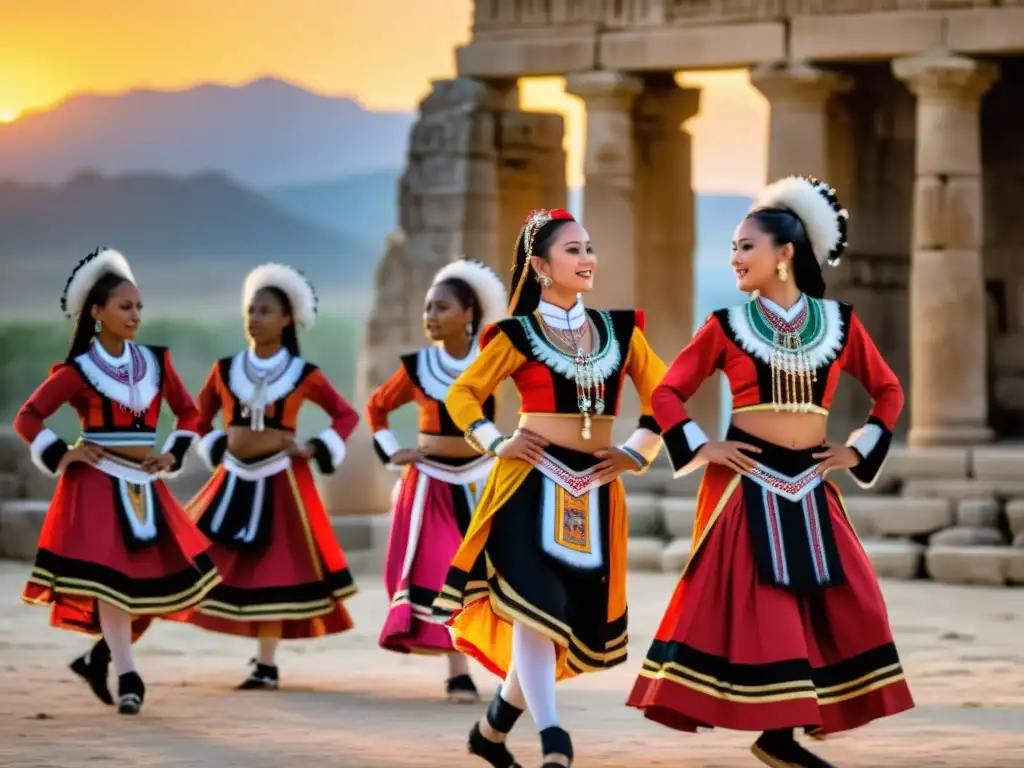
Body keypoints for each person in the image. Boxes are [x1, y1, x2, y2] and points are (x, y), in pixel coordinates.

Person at [626, 176, 915, 767]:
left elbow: (887, 389)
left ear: (785, 254)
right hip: (748, 481)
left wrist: (857, 451)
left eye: (746, 246)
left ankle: (810, 719)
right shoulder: (726, 327)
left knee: (850, 599)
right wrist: (703, 447)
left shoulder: (839, 324)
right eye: (732, 247)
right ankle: (778, 737)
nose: (734, 257)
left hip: (811, 482)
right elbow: (666, 393)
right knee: (768, 604)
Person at [431, 209, 668, 768]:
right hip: (527, 485)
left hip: (595, 489)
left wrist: (637, 450)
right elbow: (464, 395)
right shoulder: (517, 335)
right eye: (573, 251)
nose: (587, 260)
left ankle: (490, 734)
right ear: (540, 265)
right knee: (533, 611)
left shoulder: (620, 332)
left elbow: (667, 395)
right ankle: (554, 741)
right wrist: (494, 441)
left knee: (554, 616)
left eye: (589, 249)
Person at [14, 248, 219, 715]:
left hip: (144, 485)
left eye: (139, 307)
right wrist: (64, 453)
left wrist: (172, 453)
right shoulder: (78, 371)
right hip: (95, 484)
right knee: (112, 583)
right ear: (97, 313)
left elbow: (189, 412)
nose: (135, 315)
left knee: (161, 579)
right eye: (125, 306)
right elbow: (29, 417)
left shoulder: (156, 362)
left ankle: (100, 657)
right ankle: (129, 675)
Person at [180, 262, 361, 689]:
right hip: (230, 480)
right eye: (251, 311)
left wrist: (314, 447)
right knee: (183, 553)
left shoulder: (303, 374)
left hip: (281, 483)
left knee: (274, 569)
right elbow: (195, 418)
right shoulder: (224, 371)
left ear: (286, 319)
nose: (255, 319)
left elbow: (345, 415)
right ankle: (114, 644)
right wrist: (215, 446)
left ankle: (266, 664)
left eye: (264, 311)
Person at [367, 258, 507, 702]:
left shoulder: (491, 363)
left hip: (482, 479)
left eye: (442, 307)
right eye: (428, 308)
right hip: (431, 485)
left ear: (470, 313)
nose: (430, 317)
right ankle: (458, 670)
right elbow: (377, 407)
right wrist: (394, 451)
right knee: (449, 569)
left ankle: (509, 667)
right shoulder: (417, 367)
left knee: (495, 572)